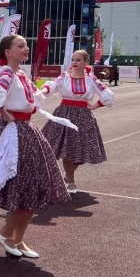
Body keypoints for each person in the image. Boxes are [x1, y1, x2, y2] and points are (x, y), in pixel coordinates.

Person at [0, 35, 70, 259]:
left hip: (26, 129)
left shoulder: (21, 74)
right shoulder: (6, 72)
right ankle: (5, 233)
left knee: (35, 186)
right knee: (27, 186)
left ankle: (18, 239)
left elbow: (32, 98)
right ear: (8, 52)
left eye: (26, 45)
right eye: (21, 46)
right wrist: (8, 117)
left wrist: (40, 94)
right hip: (14, 132)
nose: (26, 48)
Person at [40, 50, 114, 194]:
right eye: (73, 59)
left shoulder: (91, 79)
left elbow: (108, 94)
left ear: (86, 63)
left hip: (83, 116)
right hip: (65, 114)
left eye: (78, 60)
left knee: (83, 149)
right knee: (68, 149)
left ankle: (68, 175)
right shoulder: (64, 76)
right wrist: (42, 91)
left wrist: (95, 105)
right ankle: (71, 180)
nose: (74, 62)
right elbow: (52, 85)